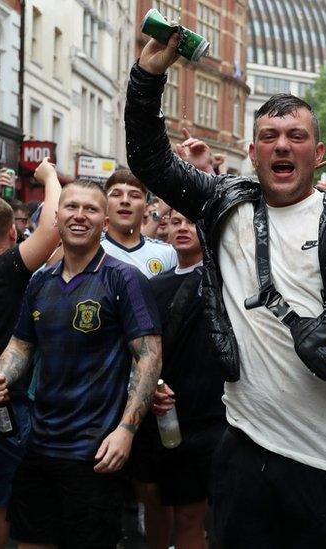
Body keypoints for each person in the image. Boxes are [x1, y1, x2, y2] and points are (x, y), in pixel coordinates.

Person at [128, 34, 326, 548]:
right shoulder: (223, 205)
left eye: (296, 136)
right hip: (243, 448)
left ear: (318, 152)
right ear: (254, 151)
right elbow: (149, 159)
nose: (282, 144)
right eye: (270, 135)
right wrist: (147, 78)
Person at [0, 180, 163, 549]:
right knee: (31, 541)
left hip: (94, 450)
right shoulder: (40, 281)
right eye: (71, 207)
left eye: (91, 209)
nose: (80, 216)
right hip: (39, 441)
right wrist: (0, 377)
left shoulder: (124, 278)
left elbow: (148, 355)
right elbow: (21, 344)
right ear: (57, 217)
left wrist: (126, 430)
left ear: (105, 219)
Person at [0, 158, 62, 549]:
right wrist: (49, 177)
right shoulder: (9, 266)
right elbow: (53, 228)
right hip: (3, 399)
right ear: (12, 230)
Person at [131, 209, 225, 549]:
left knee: (191, 515)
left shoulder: (222, 280)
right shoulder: (153, 285)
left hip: (208, 416)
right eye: (176, 222)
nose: (182, 228)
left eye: (191, 222)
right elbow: (142, 347)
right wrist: (151, 388)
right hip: (159, 416)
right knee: (154, 501)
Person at [102, 169, 176, 278]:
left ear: (145, 207)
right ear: (104, 203)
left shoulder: (168, 254)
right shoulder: (87, 250)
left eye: (135, 195)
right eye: (116, 194)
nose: (125, 200)